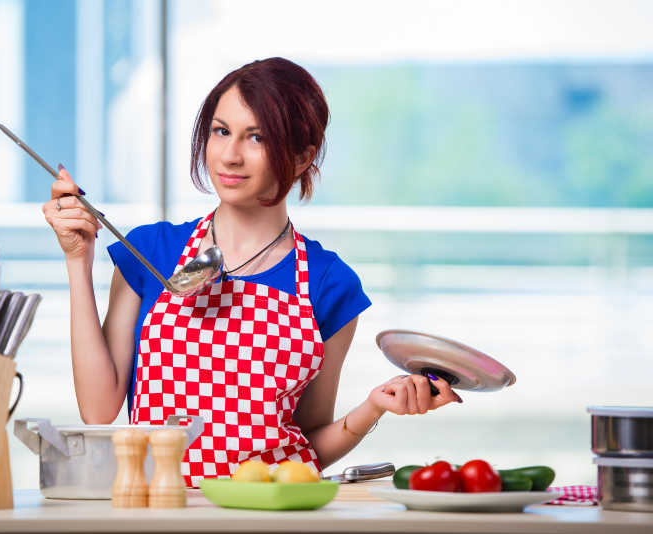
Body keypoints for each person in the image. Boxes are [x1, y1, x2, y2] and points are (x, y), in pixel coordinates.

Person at [43, 57, 460, 487]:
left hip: (269, 511)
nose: (230, 155)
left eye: (256, 137)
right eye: (221, 131)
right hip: (162, 506)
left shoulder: (328, 282)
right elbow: (98, 409)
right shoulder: (151, 252)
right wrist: (78, 260)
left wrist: (372, 408)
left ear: (301, 157)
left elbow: (307, 443)